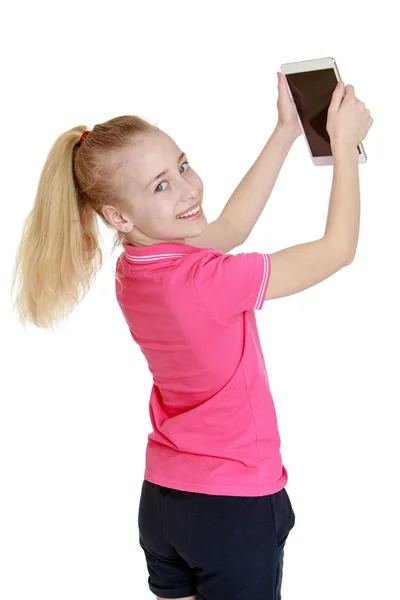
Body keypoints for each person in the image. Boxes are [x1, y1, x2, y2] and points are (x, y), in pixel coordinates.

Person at [11, 73, 373, 600]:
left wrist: (285, 132)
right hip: (234, 506)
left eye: (182, 165)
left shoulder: (135, 270)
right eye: (162, 185)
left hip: (165, 502)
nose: (188, 188)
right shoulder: (207, 282)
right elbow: (338, 249)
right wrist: (342, 146)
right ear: (117, 214)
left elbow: (228, 229)